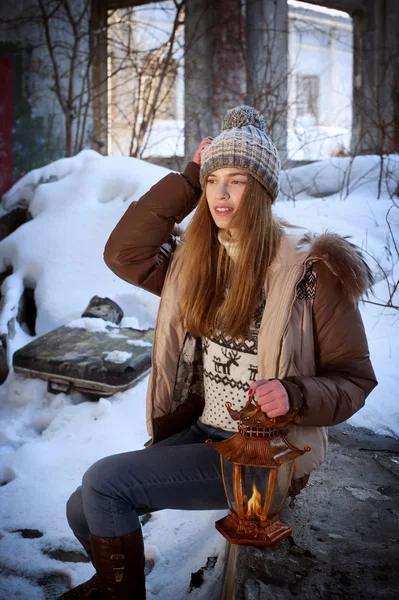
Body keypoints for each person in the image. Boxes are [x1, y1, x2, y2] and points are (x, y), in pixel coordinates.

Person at [60, 106, 377, 599]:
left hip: (264, 455)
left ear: (264, 191)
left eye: (239, 181)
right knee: (81, 506)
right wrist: (187, 178)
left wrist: (294, 393)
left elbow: (354, 379)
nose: (221, 195)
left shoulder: (310, 271)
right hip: (204, 430)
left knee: (104, 483)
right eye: (213, 182)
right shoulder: (196, 263)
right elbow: (125, 254)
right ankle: (115, 580)